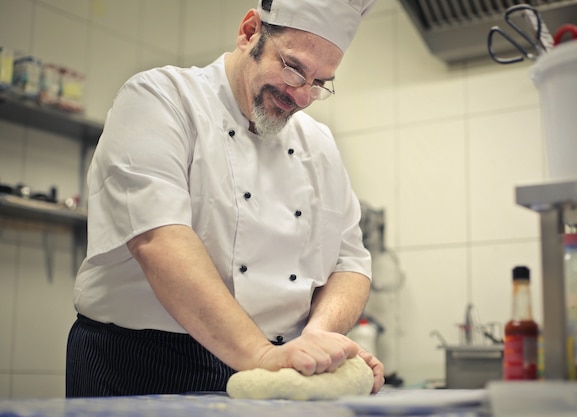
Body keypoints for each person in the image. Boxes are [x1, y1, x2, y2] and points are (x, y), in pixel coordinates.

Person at [66, 0, 385, 397]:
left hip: (279, 363)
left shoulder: (319, 144)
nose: (303, 97)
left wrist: (318, 341)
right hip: (141, 360)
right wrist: (260, 355)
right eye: (293, 68)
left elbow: (351, 262)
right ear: (250, 31)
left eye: (320, 83)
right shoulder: (161, 98)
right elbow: (158, 239)